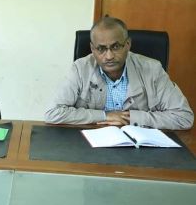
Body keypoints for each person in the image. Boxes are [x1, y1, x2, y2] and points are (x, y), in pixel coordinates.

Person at [44, 17, 194, 130]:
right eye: (101, 49)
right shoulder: (80, 68)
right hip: (90, 144)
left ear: (127, 44)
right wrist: (105, 115)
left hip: (140, 147)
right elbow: (53, 113)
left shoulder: (152, 69)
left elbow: (184, 117)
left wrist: (130, 118)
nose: (109, 56)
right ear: (92, 48)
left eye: (115, 47)